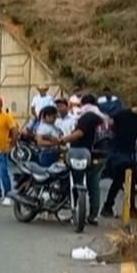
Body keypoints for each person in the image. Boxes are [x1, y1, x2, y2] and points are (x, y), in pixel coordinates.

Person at [59, 94, 106, 225]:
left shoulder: (87, 116)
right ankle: (93, 216)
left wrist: (63, 139)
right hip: (101, 155)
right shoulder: (102, 117)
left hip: (84, 154)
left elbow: (79, 133)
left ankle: (76, 213)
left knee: (77, 182)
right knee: (94, 185)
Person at [100, 97, 137, 217]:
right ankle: (112, 206)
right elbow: (110, 124)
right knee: (121, 177)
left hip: (130, 152)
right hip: (117, 151)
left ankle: (123, 206)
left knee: (131, 179)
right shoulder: (122, 114)